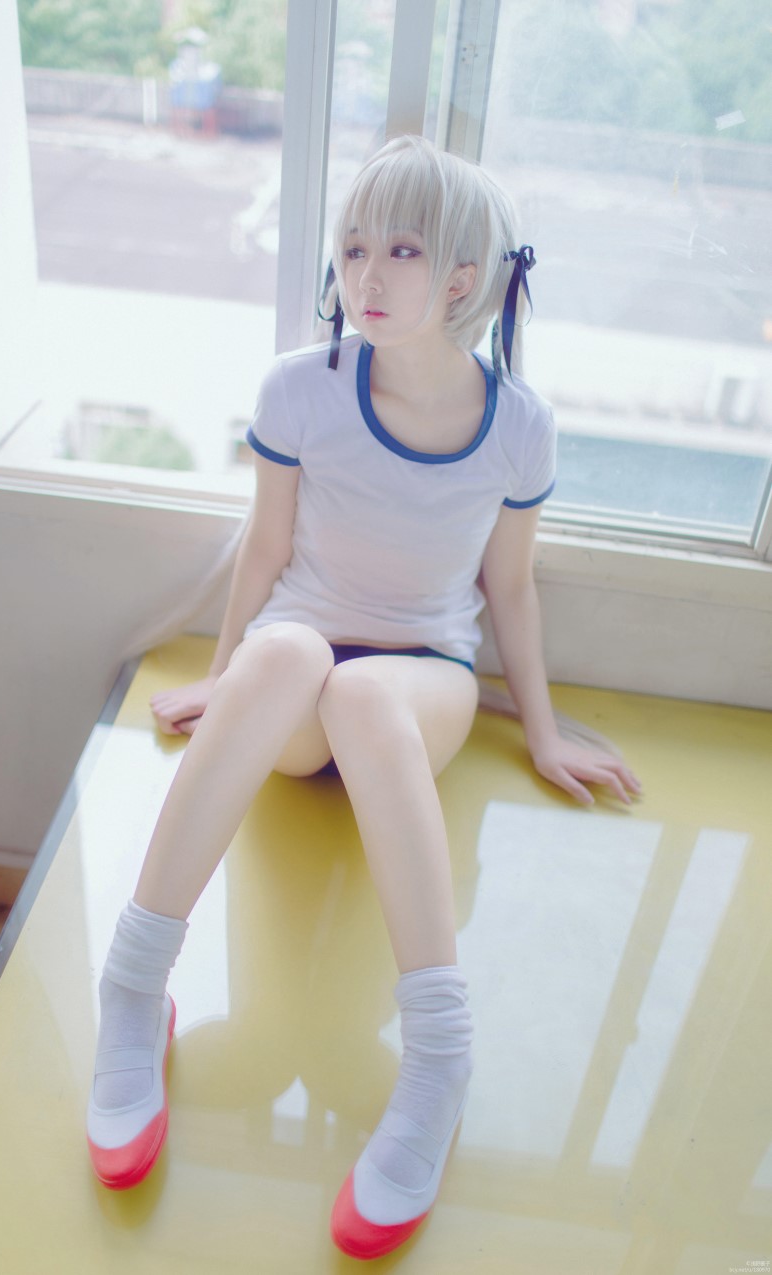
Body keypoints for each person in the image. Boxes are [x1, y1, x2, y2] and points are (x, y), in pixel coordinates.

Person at [86, 135, 640, 1261]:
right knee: (290, 659)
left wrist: (539, 731)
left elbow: (509, 588)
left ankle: (438, 1053)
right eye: (352, 249)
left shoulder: (520, 425)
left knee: (364, 698)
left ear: (463, 277)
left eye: (401, 251)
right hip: (295, 674)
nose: (366, 275)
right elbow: (265, 549)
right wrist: (225, 673)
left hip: (419, 682)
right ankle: (134, 986)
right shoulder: (301, 386)